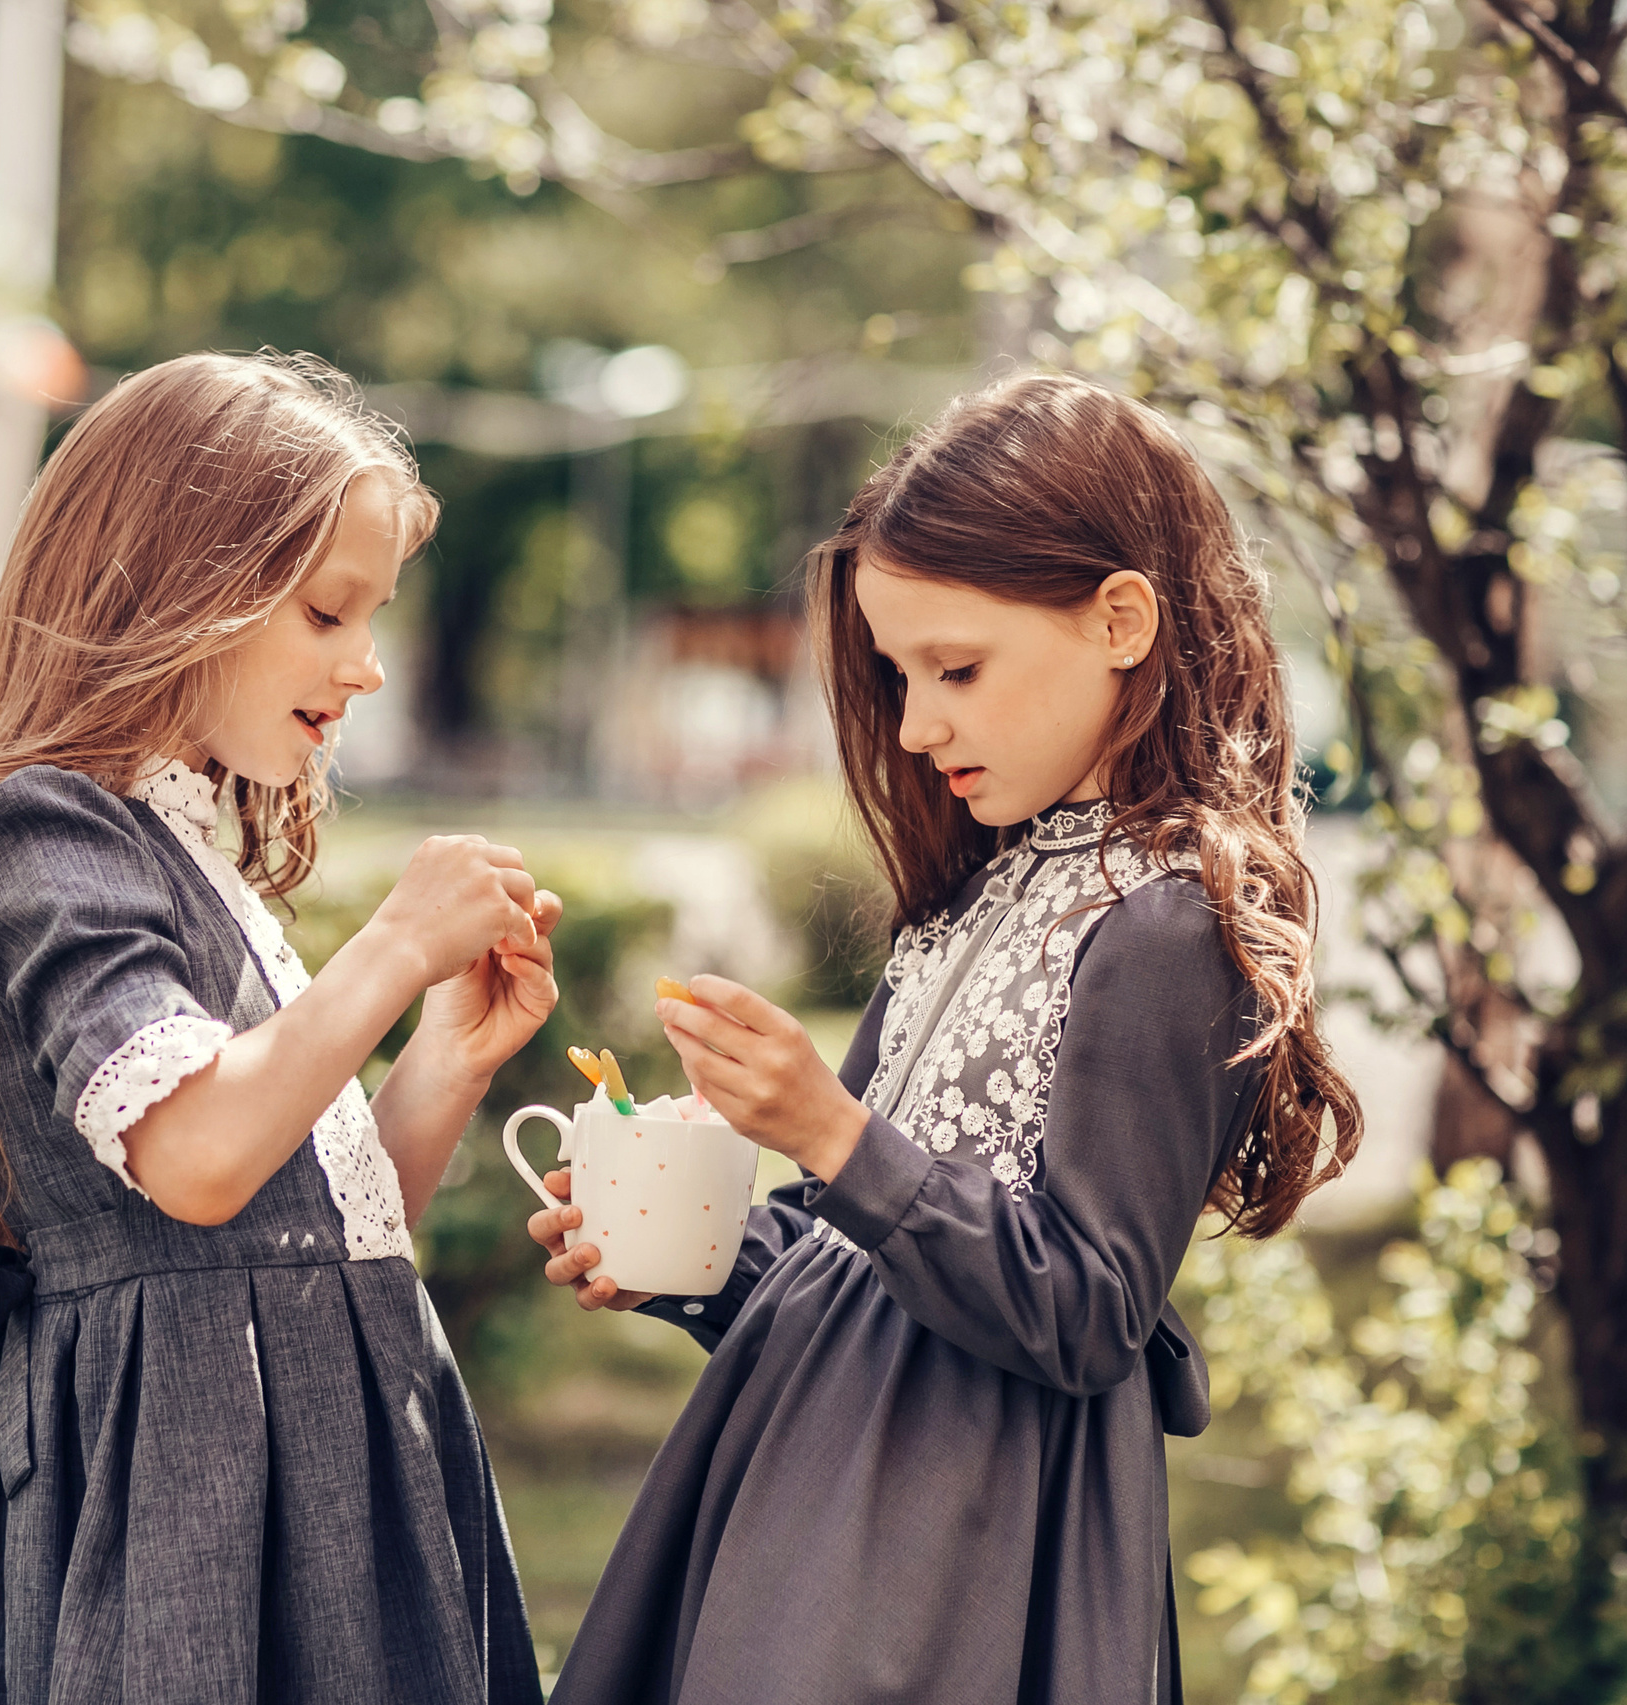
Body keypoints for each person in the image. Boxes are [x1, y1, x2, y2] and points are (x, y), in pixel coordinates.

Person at [529, 373, 1361, 1704]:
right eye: (900, 675)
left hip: (956, 1552)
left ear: (1121, 621)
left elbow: (1089, 1307)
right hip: (799, 1482)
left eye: (955, 669)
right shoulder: (982, 881)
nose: (916, 727)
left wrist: (830, 1128)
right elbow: (856, 1255)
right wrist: (683, 1258)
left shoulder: (1164, 925)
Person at [0, 352, 557, 1704]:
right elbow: (197, 1158)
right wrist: (393, 946)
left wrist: (444, 1057)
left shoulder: (195, 845)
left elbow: (290, 1232)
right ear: (181, 591)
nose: (371, 663)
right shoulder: (48, 830)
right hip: (195, 1499)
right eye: (331, 611)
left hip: (324, 1479)